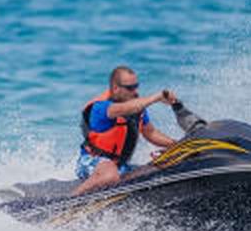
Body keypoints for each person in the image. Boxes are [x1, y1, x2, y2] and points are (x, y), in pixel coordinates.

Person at [73, 66, 178, 196]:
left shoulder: (137, 108)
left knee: (160, 170)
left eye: (136, 86)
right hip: (92, 162)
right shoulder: (101, 107)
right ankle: (71, 200)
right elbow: (123, 109)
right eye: (130, 88)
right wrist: (156, 97)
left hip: (120, 166)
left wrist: (177, 145)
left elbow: (151, 133)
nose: (135, 91)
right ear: (116, 88)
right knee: (110, 175)